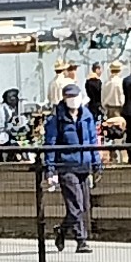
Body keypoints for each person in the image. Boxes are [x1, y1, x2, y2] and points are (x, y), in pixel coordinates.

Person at [43, 80, 102, 251]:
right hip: (66, 166)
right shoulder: (56, 119)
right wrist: (50, 169)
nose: (73, 99)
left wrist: (96, 163)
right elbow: (51, 144)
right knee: (76, 204)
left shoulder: (87, 116)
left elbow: (92, 141)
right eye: (70, 96)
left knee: (84, 206)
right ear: (64, 98)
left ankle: (62, 230)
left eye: (75, 96)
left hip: (84, 165)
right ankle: (81, 240)